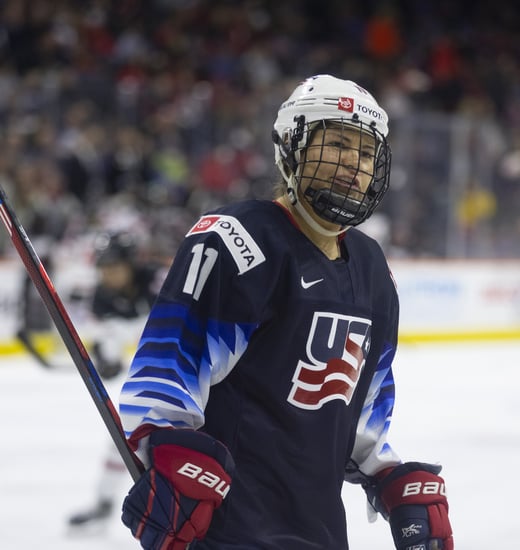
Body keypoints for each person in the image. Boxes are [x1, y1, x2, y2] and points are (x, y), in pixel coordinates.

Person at [118, 74, 454, 550]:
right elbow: (168, 367)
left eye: (365, 154)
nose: (354, 165)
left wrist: (388, 476)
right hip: (226, 531)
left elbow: (359, 408)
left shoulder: (374, 270)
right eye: (337, 143)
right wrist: (166, 449)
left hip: (320, 533)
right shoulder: (239, 240)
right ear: (291, 145)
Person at [68, 231, 165, 527]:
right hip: (155, 378)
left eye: (114, 266)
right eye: (103, 268)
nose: (107, 274)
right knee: (125, 438)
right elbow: (104, 341)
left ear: (131, 263)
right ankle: (106, 503)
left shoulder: (160, 280)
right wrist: (106, 356)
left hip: (192, 371)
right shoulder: (102, 297)